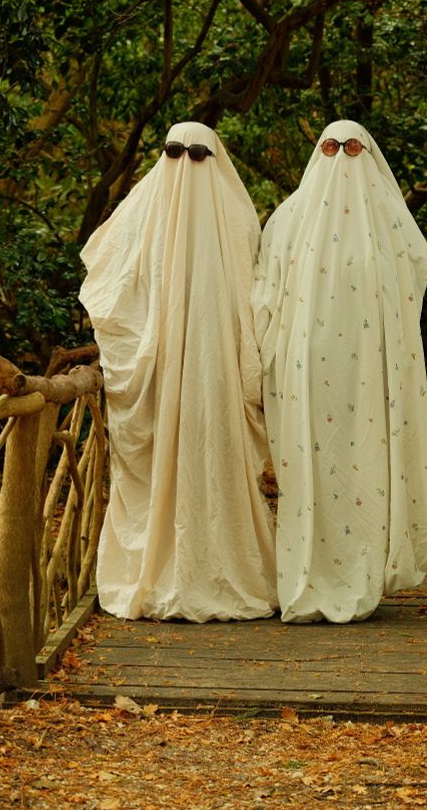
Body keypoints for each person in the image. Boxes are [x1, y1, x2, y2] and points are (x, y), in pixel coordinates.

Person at [79, 122, 277, 622]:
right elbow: (108, 275)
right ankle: (162, 568)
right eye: (174, 152)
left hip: (219, 378)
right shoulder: (142, 212)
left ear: (216, 157)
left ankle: (218, 567)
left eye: (197, 153)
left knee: (217, 460)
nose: (186, 163)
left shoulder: (236, 217)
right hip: (161, 371)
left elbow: (258, 296)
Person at [252, 119, 427, 623]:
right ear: (318, 153)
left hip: (372, 375)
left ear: (370, 152)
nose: (342, 156)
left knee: (366, 469)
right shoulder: (288, 220)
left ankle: (363, 576)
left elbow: (420, 294)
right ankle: (306, 577)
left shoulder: (393, 223)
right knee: (311, 473)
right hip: (304, 379)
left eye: (353, 146)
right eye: (331, 146)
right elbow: (266, 296)